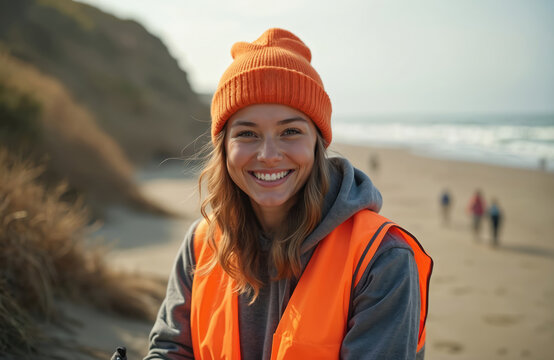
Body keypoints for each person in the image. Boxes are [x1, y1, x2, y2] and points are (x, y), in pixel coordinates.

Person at [141, 28, 433, 360]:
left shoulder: (382, 257)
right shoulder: (200, 246)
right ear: (223, 147)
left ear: (318, 143)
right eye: (247, 133)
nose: (268, 154)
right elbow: (170, 349)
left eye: (290, 131)